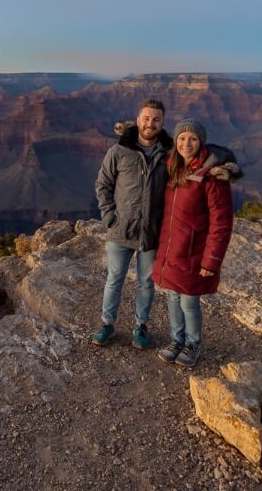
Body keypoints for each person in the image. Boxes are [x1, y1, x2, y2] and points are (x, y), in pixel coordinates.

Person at [153, 117, 236, 367]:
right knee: (172, 298)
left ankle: (193, 343)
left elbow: (222, 221)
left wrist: (211, 260)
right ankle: (176, 340)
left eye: (192, 138)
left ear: (201, 142)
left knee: (189, 301)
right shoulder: (172, 167)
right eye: (181, 138)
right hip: (171, 250)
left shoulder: (212, 175)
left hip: (194, 251)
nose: (186, 143)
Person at [91, 99, 173, 350]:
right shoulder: (118, 151)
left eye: (156, 119)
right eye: (146, 118)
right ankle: (107, 324)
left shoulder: (169, 154)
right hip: (120, 230)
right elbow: (103, 185)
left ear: (162, 123)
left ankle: (141, 327)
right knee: (114, 278)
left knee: (146, 282)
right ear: (138, 120)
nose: (151, 123)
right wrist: (110, 218)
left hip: (151, 231)